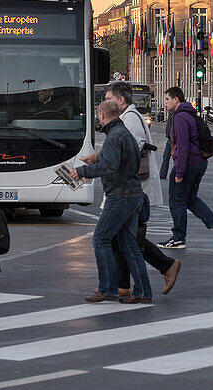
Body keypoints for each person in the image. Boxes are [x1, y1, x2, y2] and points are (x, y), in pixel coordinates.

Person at [103, 81, 181, 295]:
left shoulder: (130, 119)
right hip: (131, 186)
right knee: (123, 236)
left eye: (109, 99)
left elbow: (132, 147)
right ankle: (126, 284)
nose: (106, 103)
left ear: (121, 100)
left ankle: (158, 270)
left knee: (125, 236)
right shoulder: (126, 117)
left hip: (134, 186)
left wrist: (106, 161)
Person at [71, 99, 152, 303]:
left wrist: (81, 172)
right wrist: (97, 159)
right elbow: (123, 160)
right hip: (133, 193)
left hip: (120, 194)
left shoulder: (114, 136)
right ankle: (143, 292)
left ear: (102, 115)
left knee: (100, 239)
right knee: (129, 245)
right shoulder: (125, 133)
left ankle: (107, 288)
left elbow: (110, 165)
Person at [156, 86, 213, 250]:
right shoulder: (190, 114)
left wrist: (179, 172)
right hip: (199, 163)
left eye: (167, 99)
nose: (165, 102)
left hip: (188, 164)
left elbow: (182, 146)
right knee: (190, 199)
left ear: (176, 99)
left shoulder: (180, 117)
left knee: (176, 201)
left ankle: (178, 238)